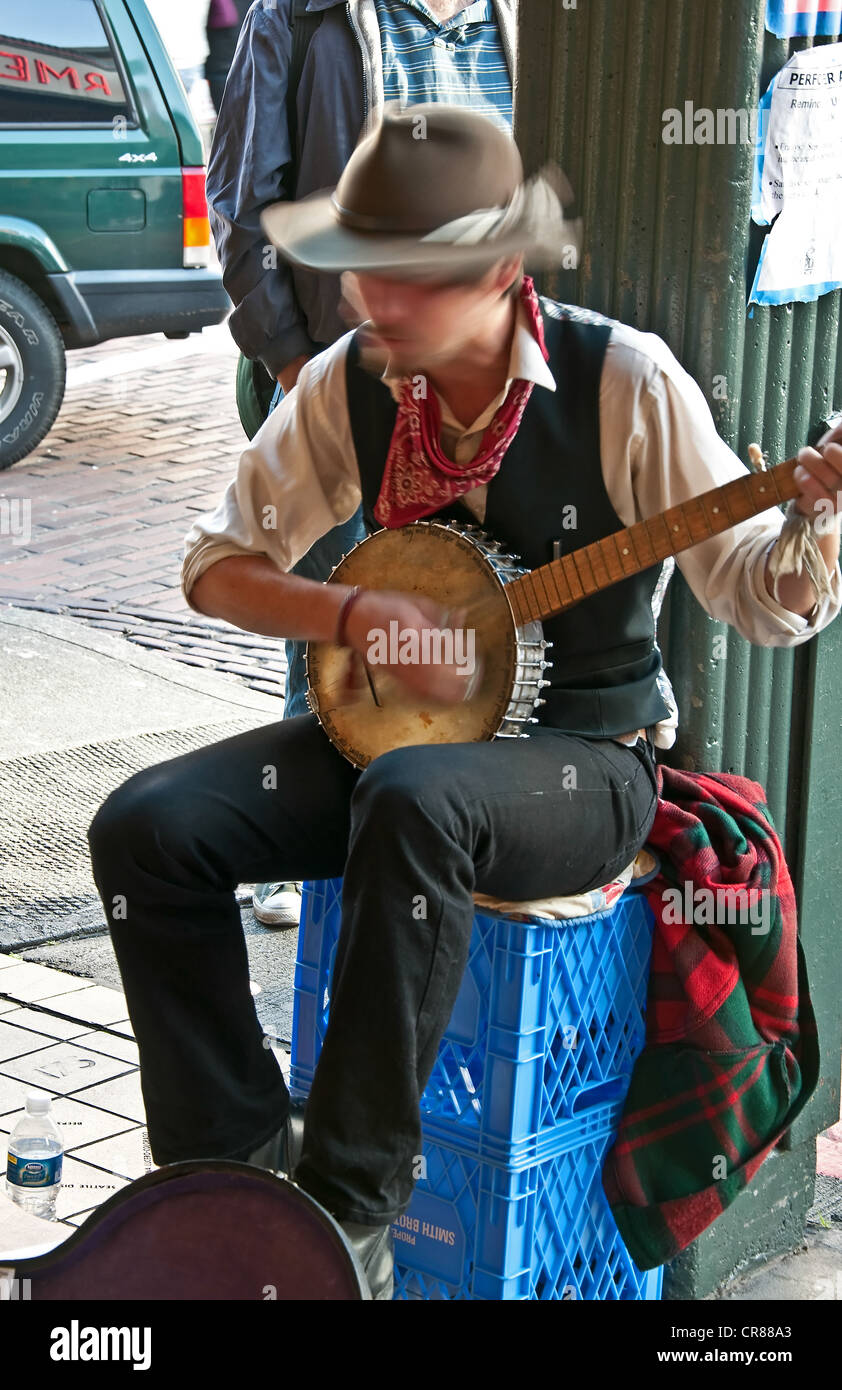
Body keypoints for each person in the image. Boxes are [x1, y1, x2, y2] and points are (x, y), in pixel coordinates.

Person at [88, 106, 842, 1301]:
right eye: (361, 273)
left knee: (412, 802)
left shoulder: (621, 383)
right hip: (400, 746)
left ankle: (347, 1215)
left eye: (404, 279)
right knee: (146, 824)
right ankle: (230, 1166)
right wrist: (351, 616)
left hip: (582, 763)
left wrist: (811, 514)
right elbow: (214, 561)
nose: (367, 304)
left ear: (497, 272)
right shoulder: (351, 386)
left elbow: (755, 597)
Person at [206, 0, 517, 927]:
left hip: (478, 382)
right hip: (344, 372)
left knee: (448, 602)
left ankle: (415, 839)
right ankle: (296, 846)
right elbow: (243, 202)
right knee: (330, 617)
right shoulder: (303, 16)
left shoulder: (525, 21)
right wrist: (302, 368)